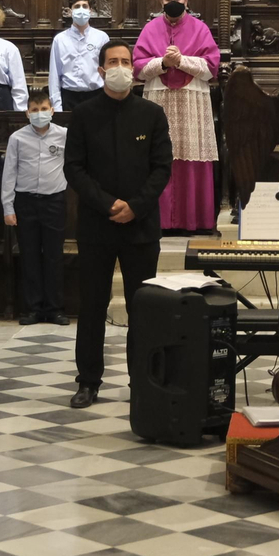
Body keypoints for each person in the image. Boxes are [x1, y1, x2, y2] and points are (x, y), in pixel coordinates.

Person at [64, 40, 173, 408]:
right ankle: (88, 381)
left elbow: (162, 168)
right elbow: (74, 168)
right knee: (92, 306)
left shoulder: (152, 113)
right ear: (100, 70)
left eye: (126, 61)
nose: (121, 67)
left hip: (140, 228)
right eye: (113, 61)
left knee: (142, 309)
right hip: (97, 225)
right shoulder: (83, 114)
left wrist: (136, 206)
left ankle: (142, 381)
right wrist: (108, 203)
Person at [133, 0, 220, 233]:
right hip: (159, 100)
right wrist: (163, 62)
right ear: (161, 1)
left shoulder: (199, 28)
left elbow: (211, 67)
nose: (173, 1)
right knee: (159, 155)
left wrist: (181, 61)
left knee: (191, 156)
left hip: (191, 100)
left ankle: (192, 220)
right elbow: (138, 67)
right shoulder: (150, 29)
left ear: (187, 0)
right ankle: (158, 220)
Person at [3, 89, 69, 325]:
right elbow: (9, 173)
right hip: (26, 202)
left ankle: (55, 308)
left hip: (54, 201)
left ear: (52, 110)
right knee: (29, 256)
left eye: (44, 109)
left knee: (54, 256)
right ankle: (32, 308)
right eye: (35, 110)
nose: (40, 114)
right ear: (27, 113)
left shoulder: (64, 135)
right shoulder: (17, 138)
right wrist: (8, 207)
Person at [50, 0, 107, 111]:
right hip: (69, 96)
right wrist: (56, 107)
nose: (81, 10)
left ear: (90, 10)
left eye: (84, 6)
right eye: (76, 6)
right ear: (70, 11)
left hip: (95, 95)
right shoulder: (59, 39)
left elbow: (107, 70)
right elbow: (54, 75)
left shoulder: (102, 37)